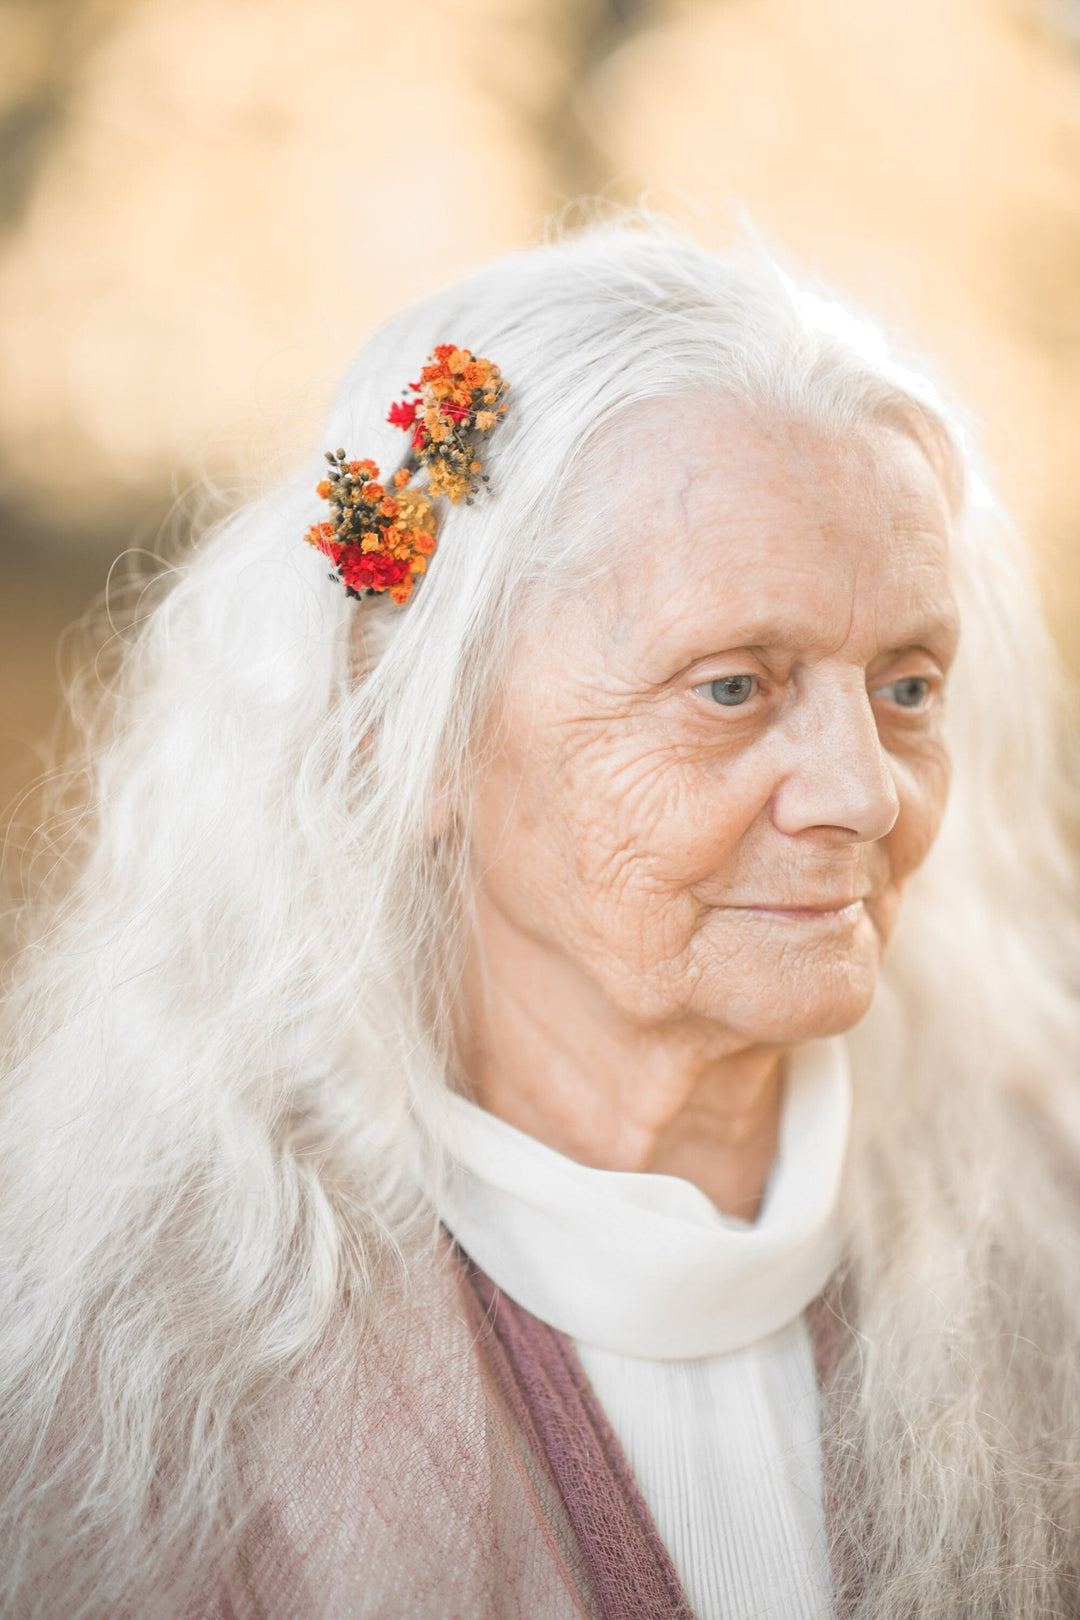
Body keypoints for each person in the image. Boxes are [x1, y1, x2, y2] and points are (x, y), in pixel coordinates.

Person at [1, 216, 1079, 1620]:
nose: (865, 794)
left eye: (909, 686)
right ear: (417, 732)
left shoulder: (1047, 1240)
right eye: (733, 687)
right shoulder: (123, 1373)